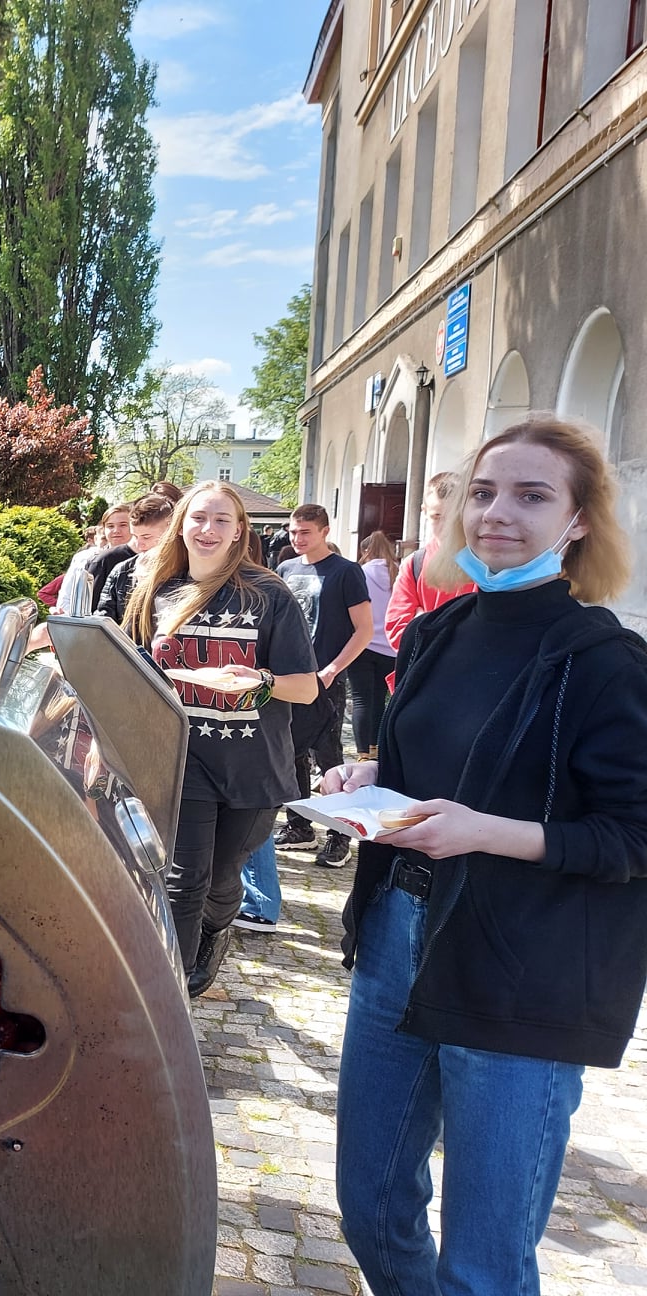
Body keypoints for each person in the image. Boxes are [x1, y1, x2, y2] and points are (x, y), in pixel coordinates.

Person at [322, 417, 647, 1296]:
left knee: (484, 1263)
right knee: (371, 1206)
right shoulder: (439, 631)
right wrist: (373, 771)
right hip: (399, 937)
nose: (498, 513)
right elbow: (445, 763)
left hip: (521, 968)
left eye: (533, 496)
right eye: (484, 491)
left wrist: (483, 832)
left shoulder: (605, 661)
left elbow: (633, 835)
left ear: (578, 521)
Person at [118, 482, 317, 996]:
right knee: (184, 880)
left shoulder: (268, 594)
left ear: (238, 531)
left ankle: (215, 930)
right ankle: (172, 993)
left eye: (222, 520)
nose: (208, 530)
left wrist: (262, 682)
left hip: (253, 764)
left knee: (225, 876)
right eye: (199, 518)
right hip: (183, 759)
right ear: (182, 524)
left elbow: (308, 688)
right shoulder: (156, 592)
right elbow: (129, 670)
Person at [274, 504, 372, 866]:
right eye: (293, 531)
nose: (297, 539)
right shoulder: (285, 569)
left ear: (325, 532)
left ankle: (340, 835)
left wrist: (333, 669)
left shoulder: (346, 572)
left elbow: (364, 630)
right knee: (290, 753)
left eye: (305, 532)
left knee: (329, 759)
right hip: (292, 678)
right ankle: (300, 826)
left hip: (326, 679)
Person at [386, 470, 475, 649]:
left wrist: (423, 620)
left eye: (454, 517)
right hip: (423, 673)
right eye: (437, 517)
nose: (446, 526)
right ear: (424, 512)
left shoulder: (487, 562)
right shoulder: (414, 564)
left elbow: (487, 632)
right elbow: (397, 632)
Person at [348, 531, 399, 760]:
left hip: (363, 643)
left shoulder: (360, 573)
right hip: (390, 646)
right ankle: (376, 748)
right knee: (380, 699)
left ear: (365, 551)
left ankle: (361, 753)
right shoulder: (398, 571)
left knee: (361, 699)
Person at [92, 494, 176, 621]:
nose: (139, 544)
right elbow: (103, 620)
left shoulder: (192, 570)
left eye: (146, 537)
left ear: (170, 531)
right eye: (135, 536)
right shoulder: (121, 571)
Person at [50, 505, 131, 614]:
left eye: (123, 525)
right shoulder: (86, 558)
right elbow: (68, 594)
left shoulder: (142, 556)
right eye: (110, 526)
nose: (116, 530)